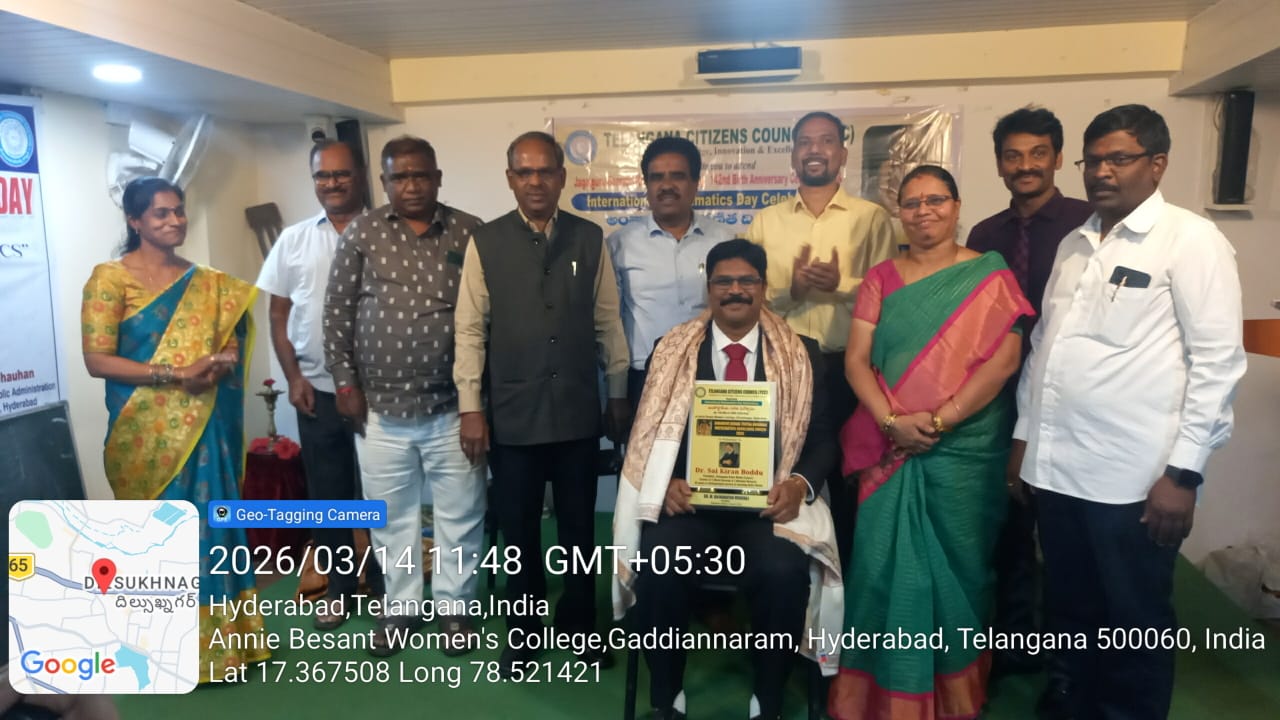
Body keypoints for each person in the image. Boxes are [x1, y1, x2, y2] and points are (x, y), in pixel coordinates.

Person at [1012, 104, 1246, 720]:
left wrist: (1184, 474)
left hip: (1135, 480)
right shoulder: (1075, 243)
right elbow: (1045, 349)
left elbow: (1218, 364)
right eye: (1093, 161)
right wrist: (1025, 440)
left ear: (1157, 163)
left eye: (1118, 158)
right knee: (1069, 605)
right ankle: (1071, 700)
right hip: (1058, 471)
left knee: (1134, 618)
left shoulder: (1190, 241)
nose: (1101, 172)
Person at [828, 165, 1031, 720]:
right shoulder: (881, 279)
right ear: (900, 212)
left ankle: (952, 695)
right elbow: (856, 361)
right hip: (890, 447)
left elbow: (1004, 361)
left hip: (964, 450)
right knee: (879, 569)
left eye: (935, 200)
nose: (923, 212)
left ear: (957, 206)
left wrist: (939, 421)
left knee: (961, 570)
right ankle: (882, 694)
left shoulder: (990, 276)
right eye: (912, 203)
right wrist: (892, 422)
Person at [612, 238, 841, 720]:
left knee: (783, 572)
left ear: (763, 287)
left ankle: (768, 699)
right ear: (709, 288)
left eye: (746, 281)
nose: (735, 290)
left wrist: (798, 485)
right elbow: (645, 432)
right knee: (661, 563)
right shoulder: (671, 349)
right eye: (724, 281)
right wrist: (666, 482)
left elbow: (823, 440)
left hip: (767, 510)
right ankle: (667, 697)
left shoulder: (802, 354)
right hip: (690, 507)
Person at [454, 130, 630, 674]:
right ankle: (525, 634)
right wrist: (471, 407)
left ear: (562, 177)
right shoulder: (486, 242)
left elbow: (608, 321)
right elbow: (469, 330)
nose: (535, 181)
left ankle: (580, 628)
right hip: (513, 415)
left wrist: (617, 392)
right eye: (524, 172)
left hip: (577, 412)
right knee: (519, 533)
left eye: (545, 171)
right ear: (510, 179)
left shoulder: (589, 238)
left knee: (579, 530)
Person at [81, 177, 267, 682]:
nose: (175, 221)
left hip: (203, 427)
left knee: (210, 527)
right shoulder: (110, 280)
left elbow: (229, 342)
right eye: (161, 213)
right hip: (142, 434)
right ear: (135, 221)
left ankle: (224, 647)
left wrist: (220, 363)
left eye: (179, 211)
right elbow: (97, 360)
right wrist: (176, 373)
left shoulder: (208, 282)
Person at [324, 135, 487, 657]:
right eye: (400, 177)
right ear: (385, 182)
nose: (411, 185)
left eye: (421, 175)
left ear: (438, 178)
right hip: (380, 410)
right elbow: (336, 313)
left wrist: (478, 403)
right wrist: (345, 384)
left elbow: (490, 315)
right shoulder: (363, 232)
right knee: (390, 518)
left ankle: (455, 608)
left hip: (453, 408)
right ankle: (401, 608)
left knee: (460, 515)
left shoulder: (471, 231)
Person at [965, 107, 1093, 686]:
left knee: (1066, 539)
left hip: (1070, 403)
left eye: (1037, 153)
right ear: (999, 164)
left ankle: (1068, 668)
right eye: (1013, 156)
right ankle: (1014, 646)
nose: (1025, 165)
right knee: (1008, 529)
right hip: (998, 399)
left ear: (1058, 158)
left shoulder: (1088, 224)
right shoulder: (984, 236)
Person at [746, 111, 897, 567]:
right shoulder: (765, 222)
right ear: (793, 155)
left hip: (850, 369)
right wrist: (791, 290)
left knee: (852, 478)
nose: (815, 149)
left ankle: (852, 578)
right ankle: (781, 577)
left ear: (843, 154)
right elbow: (744, 299)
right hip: (782, 371)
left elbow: (890, 296)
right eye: (806, 142)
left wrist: (841, 285)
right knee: (780, 476)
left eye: (826, 141)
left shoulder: (872, 219)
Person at [255, 139, 385, 630]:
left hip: (381, 392)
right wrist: (293, 377)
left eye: (341, 173)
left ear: (360, 175)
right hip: (318, 390)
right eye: (322, 176)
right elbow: (279, 314)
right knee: (330, 495)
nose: (331, 183)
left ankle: (386, 585)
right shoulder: (293, 240)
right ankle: (340, 587)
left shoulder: (388, 232)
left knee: (380, 493)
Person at [608, 136, 733, 409]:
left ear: (696, 183)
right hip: (645, 376)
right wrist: (616, 392)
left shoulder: (723, 240)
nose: (666, 186)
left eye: (677, 176)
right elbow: (610, 324)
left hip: (710, 374)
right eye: (657, 178)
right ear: (646, 185)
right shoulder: (620, 244)